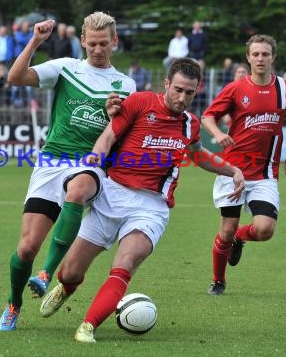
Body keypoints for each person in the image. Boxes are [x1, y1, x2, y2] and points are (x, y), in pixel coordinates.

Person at [38, 58, 245, 342]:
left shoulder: (190, 124)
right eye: (179, 90)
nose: (183, 98)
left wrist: (232, 169)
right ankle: (65, 286)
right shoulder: (139, 103)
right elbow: (108, 136)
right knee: (72, 271)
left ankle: (88, 326)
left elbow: (197, 155)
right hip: (111, 195)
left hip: (151, 208)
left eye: (190, 93)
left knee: (126, 261)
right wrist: (95, 158)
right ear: (167, 84)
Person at [0, 12, 136, 331]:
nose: (98, 49)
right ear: (82, 41)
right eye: (93, 43)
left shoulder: (126, 84)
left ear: (114, 42)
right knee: (27, 246)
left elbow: (122, 132)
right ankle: (14, 303)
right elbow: (15, 78)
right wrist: (35, 41)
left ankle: (46, 273)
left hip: (90, 164)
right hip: (51, 163)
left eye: (104, 43)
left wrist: (116, 115)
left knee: (77, 189)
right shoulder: (65, 68)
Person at [201, 34, 286, 296]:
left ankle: (241, 236)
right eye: (256, 54)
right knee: (225, 230)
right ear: (248, 57)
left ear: (273, 57)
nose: (260, 58)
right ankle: (218, 280)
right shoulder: (236, 88)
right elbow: (207, 116)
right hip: (233, 170)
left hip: (265, 173)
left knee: (265, 229)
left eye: (265, 54)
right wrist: (217, 133)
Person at [11, 20, 34, 107]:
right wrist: (28, 42)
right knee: (16, 83)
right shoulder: (18, 33)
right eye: (24, 26)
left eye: (27, 26)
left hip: (29, 60)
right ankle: (13, 102)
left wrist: (28, 42)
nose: (26, 27)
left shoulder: (31, 34)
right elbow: (20, 40)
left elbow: (30, 42)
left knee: (28, 84)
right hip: (17, 59)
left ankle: (29, 103)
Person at [220, 63, 250, 129]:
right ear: (234, 74)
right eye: (239, 72)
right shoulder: (229, 88)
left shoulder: (252, 88)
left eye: (243, 72)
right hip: (234, 126)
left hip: (250, 125)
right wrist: (225, 115)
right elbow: (221, 105)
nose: (241, 74)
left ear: (248, 74)